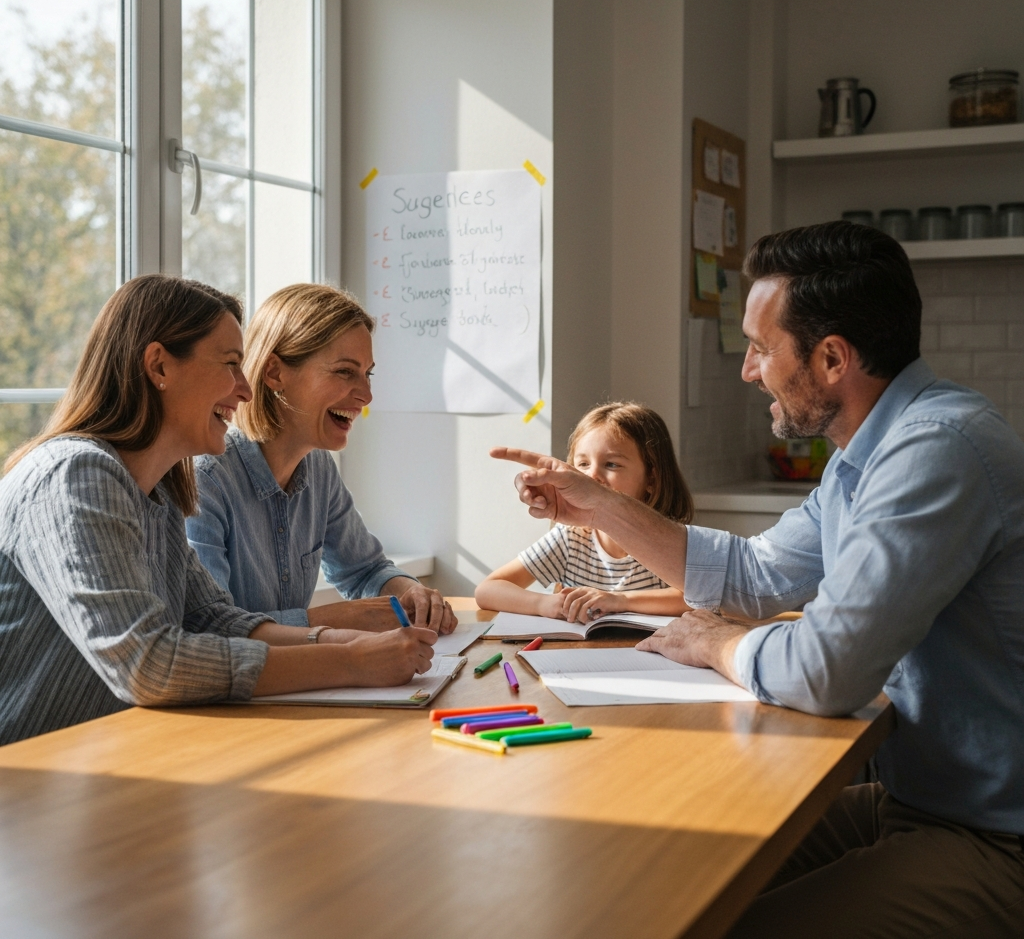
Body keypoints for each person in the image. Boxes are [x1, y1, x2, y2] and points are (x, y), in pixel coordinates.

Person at [493, 221, 1024, 937]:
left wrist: (717, 645)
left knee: (724, 922)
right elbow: (754, 571)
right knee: (665, 872)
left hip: (993, 835)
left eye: (761, 348)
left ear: (832, 358)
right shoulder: (864, 457)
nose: (748, 369)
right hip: (919, 800)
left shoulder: (937, 452)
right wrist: (600, 504)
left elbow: (826, 670)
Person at [0, 276, 436, 747]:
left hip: (103, 762)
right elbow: (148, 664)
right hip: (26, 785)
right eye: (231, 364)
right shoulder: (77, 473)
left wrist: (344, 642)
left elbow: (216, 619)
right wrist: (351, 661)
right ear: (159, 366)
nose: (245, 390)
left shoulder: (161, 489)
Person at [185, 283, 454, 635]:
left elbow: (365, 570)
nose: (366, 394)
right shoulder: (206, 479)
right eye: (345, 371)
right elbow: (207, 629)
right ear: (275, 373)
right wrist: (328, 620)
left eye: (367, 373)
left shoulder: (318, 468)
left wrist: (412, 593)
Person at [475, 402, 691, 622]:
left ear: (652, 479)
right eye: (583, 464)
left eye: (612, 464)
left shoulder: (669, 542)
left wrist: (620, 600)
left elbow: (704, 599)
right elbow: (487, 590)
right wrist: (544, 603)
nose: (591, 476)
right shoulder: (572, 537)